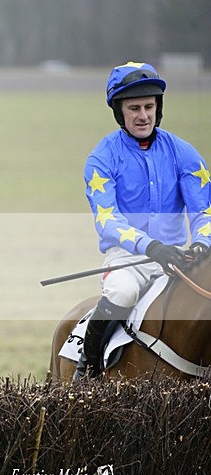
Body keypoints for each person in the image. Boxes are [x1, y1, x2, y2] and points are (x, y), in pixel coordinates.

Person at [75, 61, 211, 380]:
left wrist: (203, 245)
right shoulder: (101, 159)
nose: (143, 115)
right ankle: (88, 368)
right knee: (122, 295)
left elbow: (204, 211)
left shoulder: (185, 153)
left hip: (180, 258)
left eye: (149, 106)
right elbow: (108, 220)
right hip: (128, 260)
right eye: (134, 107)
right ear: (119, 112)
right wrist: (150, 247)